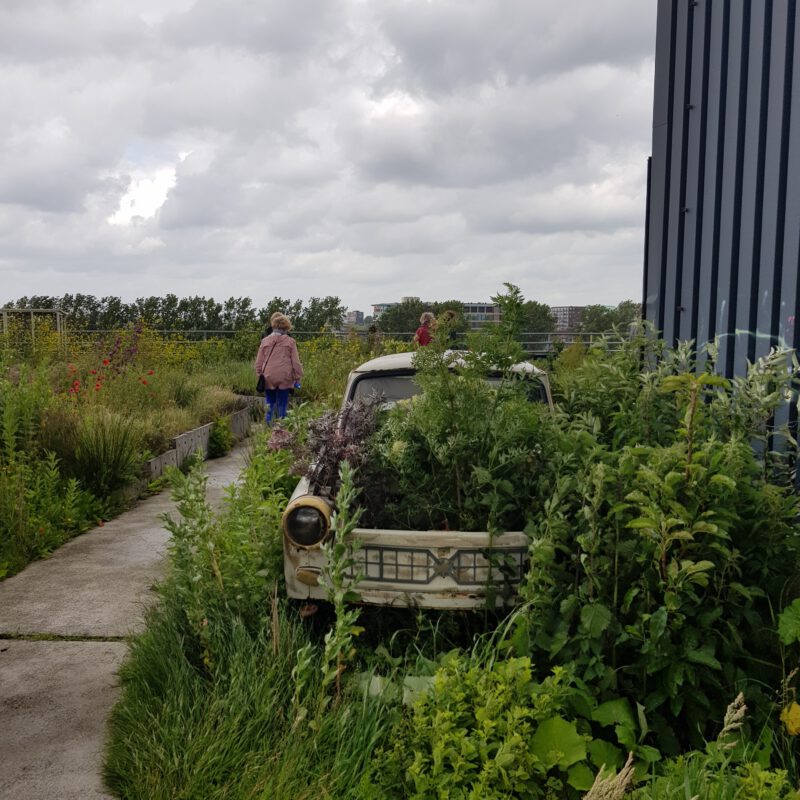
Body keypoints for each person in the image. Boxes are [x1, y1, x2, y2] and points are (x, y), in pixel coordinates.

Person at [254, 313, 303, 423]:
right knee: (282, 404)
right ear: (287, 327)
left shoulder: (265, 341)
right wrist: (298, 377)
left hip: (268, 375)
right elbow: (296, 362)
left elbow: (258, 362)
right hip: (285, 376)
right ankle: (282, 432)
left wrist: (259, 374)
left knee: (269, 403)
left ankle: (268, 429)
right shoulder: (290, 341)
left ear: (273, 326)